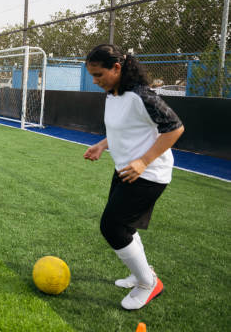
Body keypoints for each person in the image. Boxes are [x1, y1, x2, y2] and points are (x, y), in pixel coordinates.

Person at [83, 44, 184, 310]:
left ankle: (148, 284)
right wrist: (103, 145)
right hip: (125, 170)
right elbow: (126, 127)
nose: (95, 81)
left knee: (112, 227)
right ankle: (142, 273)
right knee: (125, 227)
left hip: (149, 175)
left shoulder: (142, 95)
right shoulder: (113, 93)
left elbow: (175, 128)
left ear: (116, 68)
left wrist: (143, 161)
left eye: (98, 75)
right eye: (92, 76)